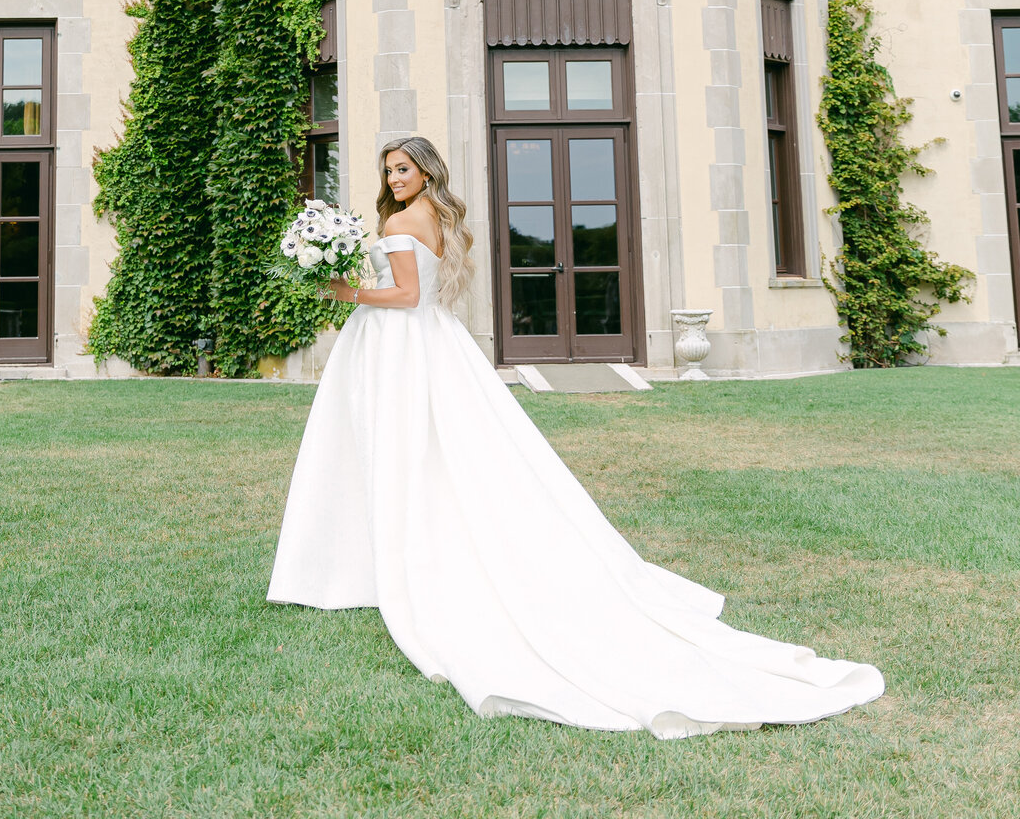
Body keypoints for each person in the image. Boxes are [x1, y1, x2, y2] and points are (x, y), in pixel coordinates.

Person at [267, 136, 884, 737]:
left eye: (403, 169)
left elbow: (402, 294)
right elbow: (422, 292)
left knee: (399, 444)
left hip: (401, 342)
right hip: (433, 339)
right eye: (390, 170)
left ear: (426, 173)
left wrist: (344, 288)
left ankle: (394, 556)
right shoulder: (434, 217)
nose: (395, 178)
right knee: (435, 446)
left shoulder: (403, 221)